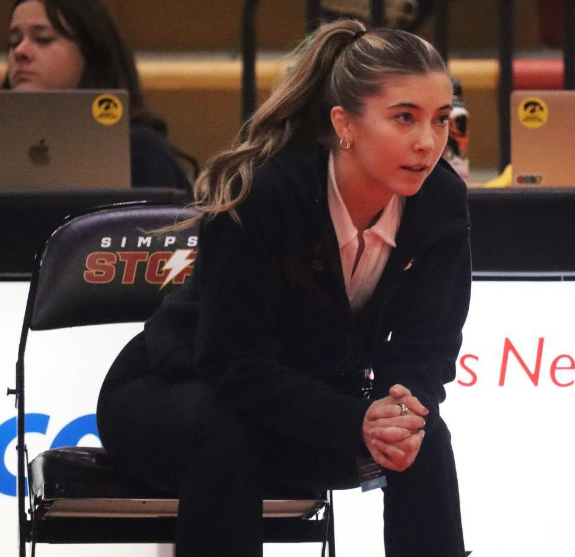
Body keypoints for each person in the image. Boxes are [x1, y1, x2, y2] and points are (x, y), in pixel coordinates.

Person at [97, 18, 471, 557]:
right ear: (344, 124)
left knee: (423, 440)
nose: (427, 142)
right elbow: (232, 363)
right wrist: (354, 421)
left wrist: (399, 413)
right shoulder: (265, 192)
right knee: (226, 434)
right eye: (404, 118)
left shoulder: (440, 200)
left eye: (439, 120)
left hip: (300, 408)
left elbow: (427, 346)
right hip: (173, 396)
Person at [3, 0, 195, 189]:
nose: (20, 52)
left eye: (43, 39)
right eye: (14, 41)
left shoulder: (138, 152)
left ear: (91, 52)